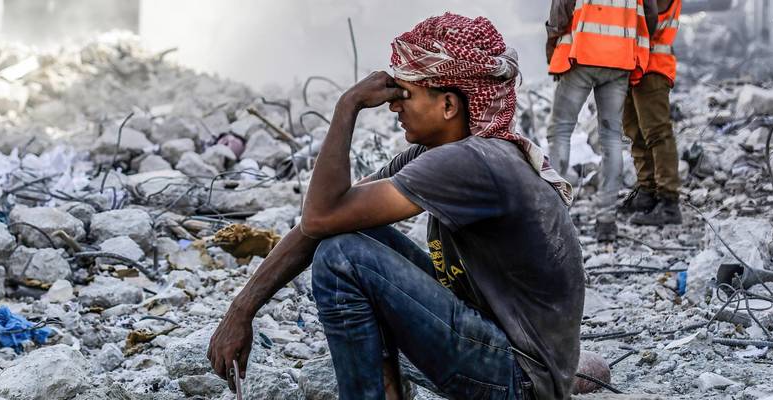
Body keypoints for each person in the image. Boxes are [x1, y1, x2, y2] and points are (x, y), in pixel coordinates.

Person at [207, 13, 584, 400]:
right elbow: (321, 221)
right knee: (351, 234)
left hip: (520, 381)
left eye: (405, 94)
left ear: (449, 105)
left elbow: (319, 215)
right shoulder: (442, 153)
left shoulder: (472, 161)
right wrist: (241, 309)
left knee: (342, 256)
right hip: (501, 350)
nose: (393, 107)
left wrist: (347, 106)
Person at [545, 0, 653, 241]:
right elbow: (650, 15)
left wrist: (553, 45)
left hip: (582, 55)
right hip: (620, 59)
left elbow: (561, 10)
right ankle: (607, 221)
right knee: (612, 138)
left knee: (560, 132)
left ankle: (553, 215)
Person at [621, 0, 684, 226]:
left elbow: (646, 20)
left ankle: (669, 203)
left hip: (652, 66)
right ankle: (647, 193)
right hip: (633, 65)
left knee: (657, 133)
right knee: (635, 131)